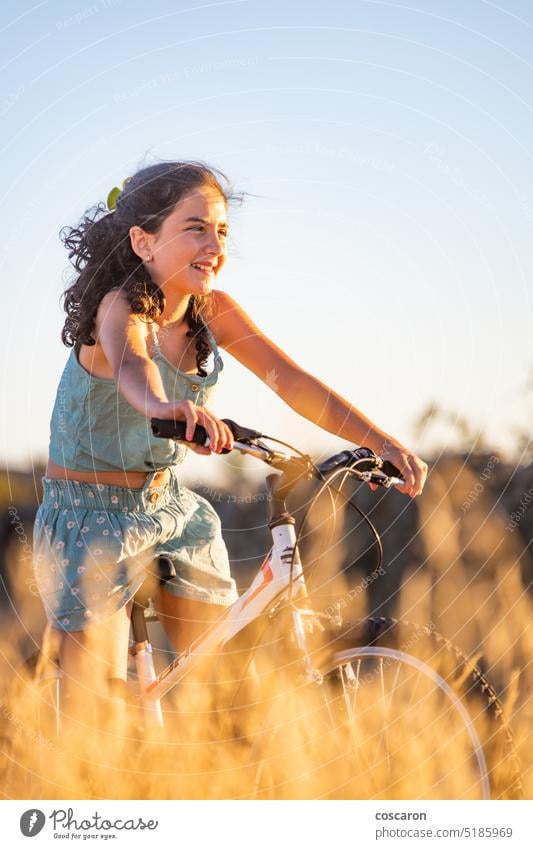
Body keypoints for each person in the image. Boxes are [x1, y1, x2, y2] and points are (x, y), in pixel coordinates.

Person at [32, 159, 427, 746]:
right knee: (95, 726)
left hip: (168, 509)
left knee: (221, 689)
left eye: (221, 232)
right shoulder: (120, 307)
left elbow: (289, 379)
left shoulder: (212, 310)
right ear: (144, 240)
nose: (214, 245)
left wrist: (377, 439)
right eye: (195, 227)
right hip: (88, 518)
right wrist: (164, 407)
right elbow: (133, 364)